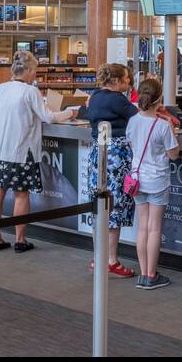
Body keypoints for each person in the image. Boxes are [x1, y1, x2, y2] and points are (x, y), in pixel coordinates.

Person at [0, 51, 77, 253]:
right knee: (21, 195)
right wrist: (71, 112)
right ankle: (20, 240)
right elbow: (48, 118)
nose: (35, 75)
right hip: (22, 151)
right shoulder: (30, 92)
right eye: (34, 70)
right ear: (27, 70)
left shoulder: (2, 88)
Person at [77, 62, 137, 278]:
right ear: (117, 81)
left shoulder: (95, 96)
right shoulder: (118, 100)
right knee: (115, 206)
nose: (129, 82)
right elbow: (139, 116)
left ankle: (98, 257)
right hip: (116, 158)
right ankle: (111, 259)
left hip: (98, 154)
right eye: (126, 79)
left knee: (99, 206)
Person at [125, 77, 180, 290]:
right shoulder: (163, 126)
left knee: (142, 228)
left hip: (137, 180)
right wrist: (172, 129)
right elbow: (173, 154)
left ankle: (142, 273)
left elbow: (132, 145)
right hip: (157, 180)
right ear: (160, 98)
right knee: (154, 229)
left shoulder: (133, 121)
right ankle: (151, 274)